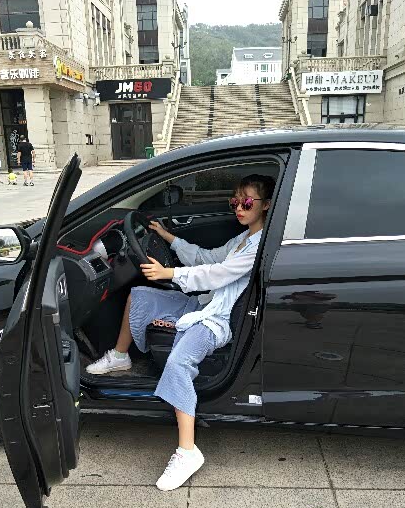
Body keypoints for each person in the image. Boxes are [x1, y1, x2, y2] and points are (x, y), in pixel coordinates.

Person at [86, 174, 275, 491]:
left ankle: (188, 451)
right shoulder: (243, 239)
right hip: (203, 303)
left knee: (178, 363)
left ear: (265, 205)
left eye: (246, 201)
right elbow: (207, 258)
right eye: (235, 201)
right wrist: (168, 237)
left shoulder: (259, 246)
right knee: (139, 296)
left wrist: (169, 272)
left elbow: (216, 273)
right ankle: (120, 357)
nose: (238, 207)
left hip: (216, 320)